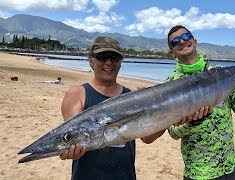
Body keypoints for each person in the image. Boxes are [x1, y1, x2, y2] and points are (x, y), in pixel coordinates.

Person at [59, 36, 211, 180]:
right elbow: (72, 136)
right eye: (102, 57)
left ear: (120, 63)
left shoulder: (131, 96)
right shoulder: (77, 94)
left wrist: (171, 114)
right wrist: (72, 151)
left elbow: (147, 137)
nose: (108, 62)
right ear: (91, 61)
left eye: (114, 58)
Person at [164, 25, 235, 180]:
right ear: (172, 52)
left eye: (186, 37)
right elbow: (173, 133)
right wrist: (192, 123)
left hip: (231, 168)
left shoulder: (221, 73)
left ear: (194, 41)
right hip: (199, 173)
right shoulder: (170, 84)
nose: (182, 41)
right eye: (175, 41)